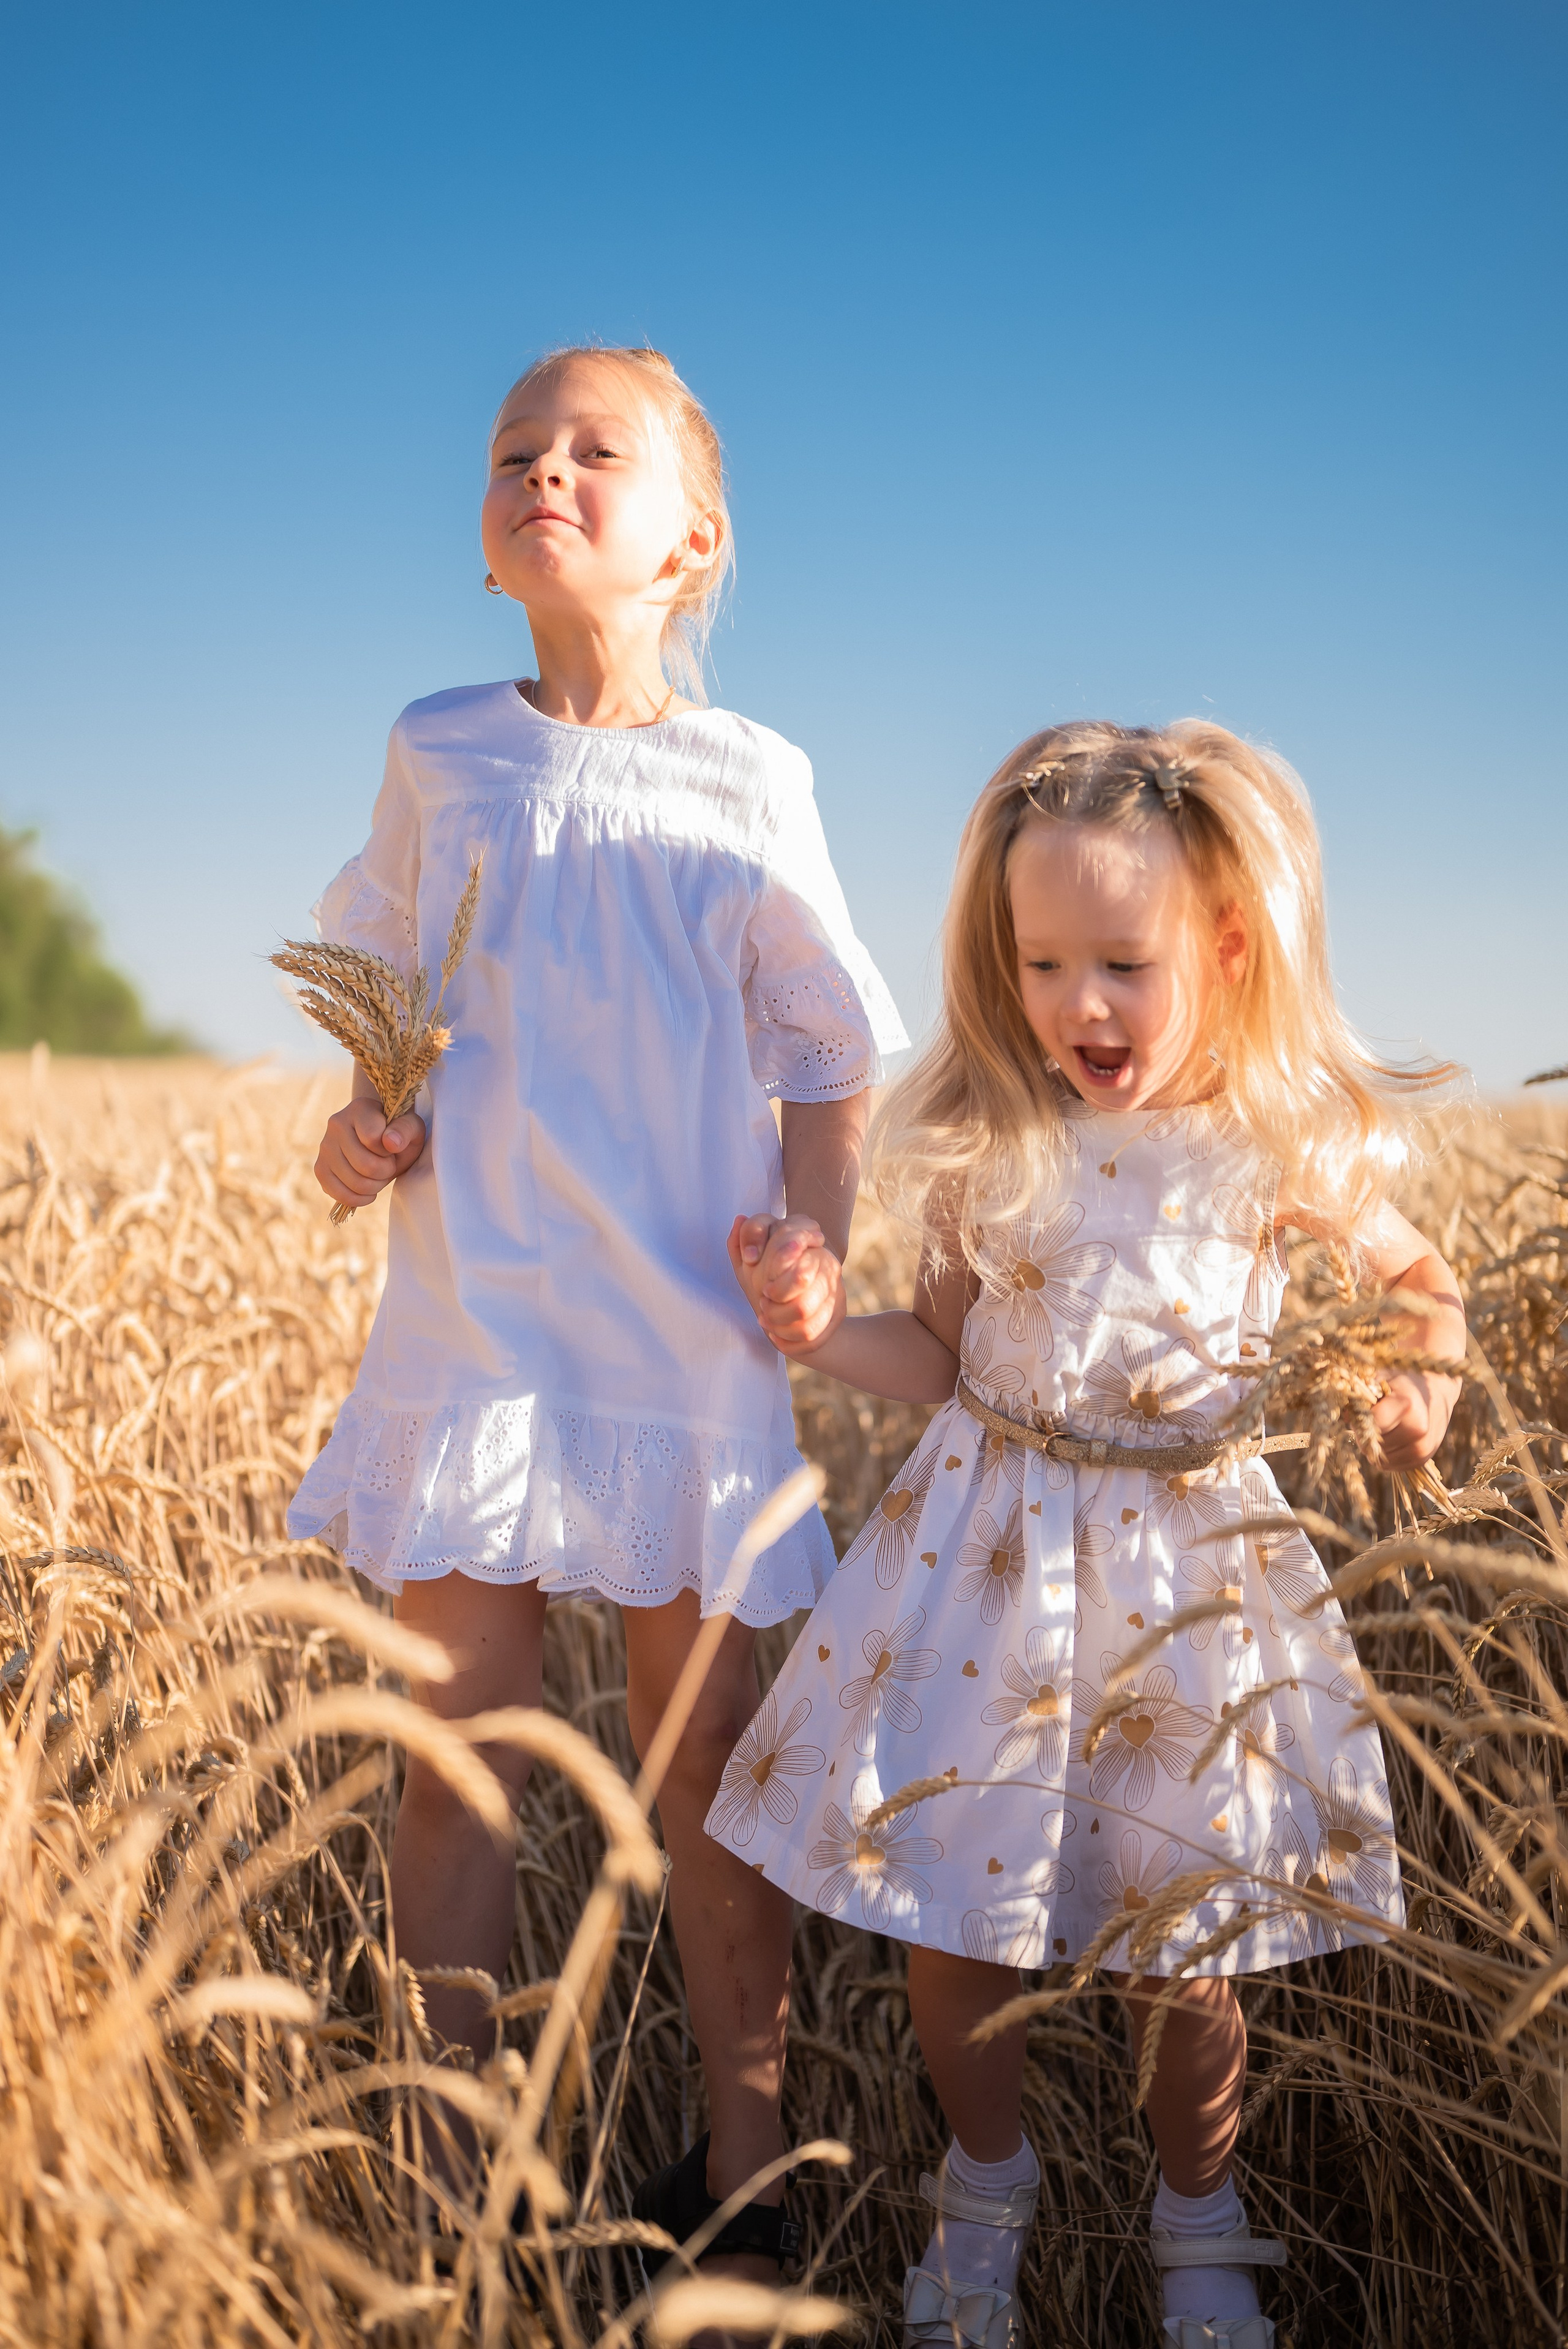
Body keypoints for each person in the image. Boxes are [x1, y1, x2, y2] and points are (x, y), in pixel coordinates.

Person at [717, 720, 1465, 2349]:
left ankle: (1200, 2214)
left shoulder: (1269, 1146)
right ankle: (986, 2188)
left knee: (1183, 1933)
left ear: (1228, 943)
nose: (1079, 1004)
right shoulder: (996, 1145)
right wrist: (823, 1325)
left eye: (1121, 961)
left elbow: (1424, 1284)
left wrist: (1420, 1391)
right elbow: (936, 1353)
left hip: (1188, 1576)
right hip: (985, 1558)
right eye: (1040, 961)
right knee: (953, 1917)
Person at [287, 345, 906, 2275]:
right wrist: (361, 1127)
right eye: (511, 454)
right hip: (473, 1325)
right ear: (488, 540)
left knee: (700, 1755)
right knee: (449, 1750)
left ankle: (746, 2159)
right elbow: (382, 997)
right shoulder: (437, 745)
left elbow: (831, 1052)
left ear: (691, 541)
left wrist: (811, 1241)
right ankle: (444, 2167)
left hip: (684, 1332)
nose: (542, 471)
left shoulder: (753, 776)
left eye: (593, 451)